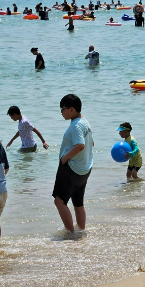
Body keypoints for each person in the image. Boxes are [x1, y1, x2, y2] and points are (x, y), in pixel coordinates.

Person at [53, 94, 94, 232]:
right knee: (78, 202)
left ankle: (70, 233)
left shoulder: (75, 126)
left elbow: (80, 145)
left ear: (71, 109)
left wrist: (65, 158)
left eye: (62, 109)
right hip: (84, 169)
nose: (61, 112)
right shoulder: (85, 122)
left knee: (59, 201)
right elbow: (91, 143)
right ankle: (81, 229)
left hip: (71, 169)